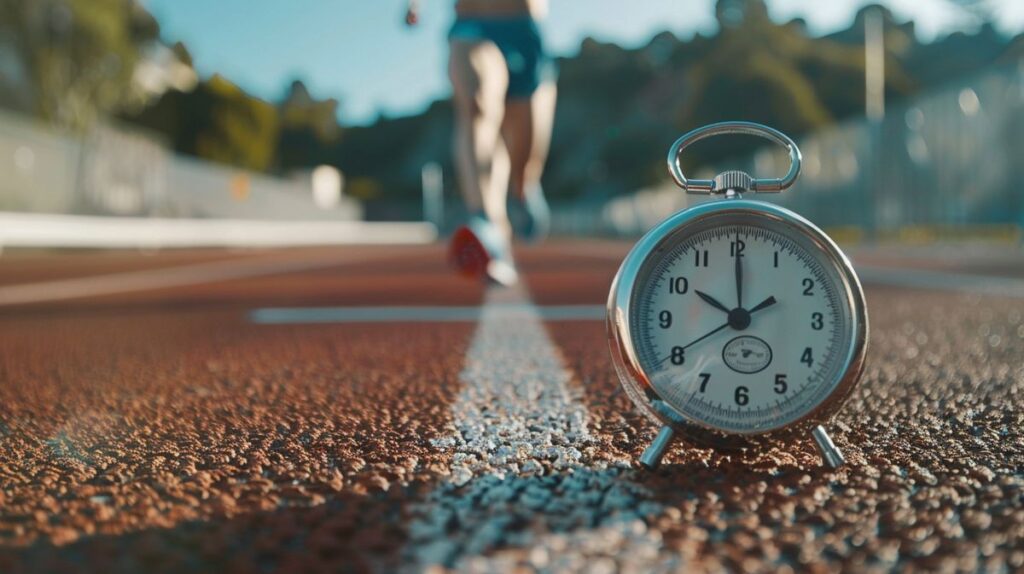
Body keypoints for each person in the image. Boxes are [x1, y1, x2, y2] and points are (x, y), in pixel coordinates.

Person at [405, 0, 557, 286]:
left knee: (528, 148)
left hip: (524, 27)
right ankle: (487, 223)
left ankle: (524, 189)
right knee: (477, 107)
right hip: (471, 25)